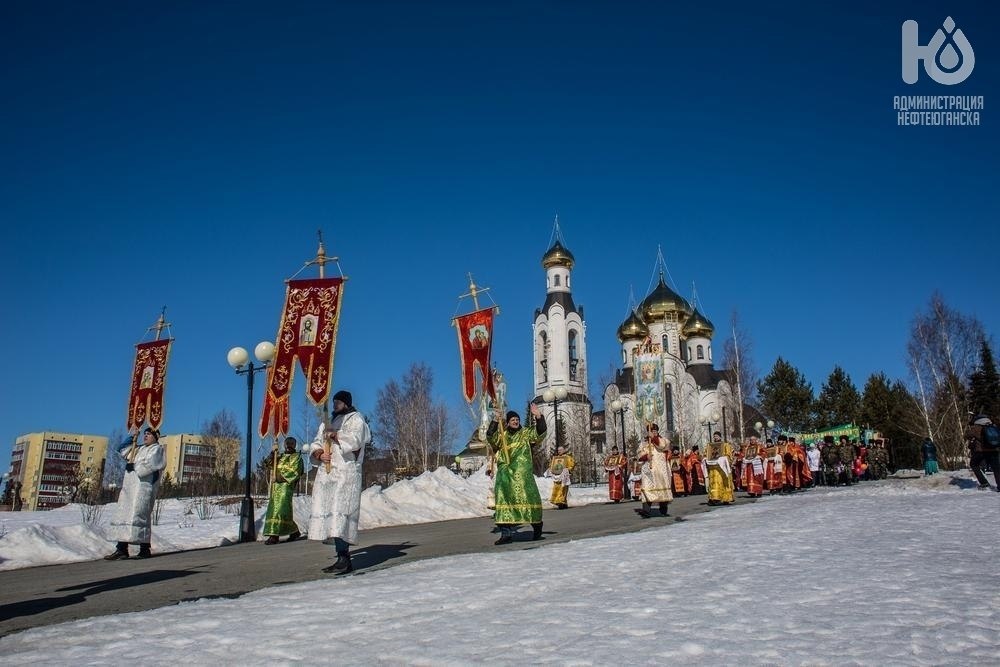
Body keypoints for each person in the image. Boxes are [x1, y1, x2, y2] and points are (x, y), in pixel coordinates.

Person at [307, 390, 371, 574]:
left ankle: (344, 558)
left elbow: (356, 440)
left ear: (347, 403)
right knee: (331, 514)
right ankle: (341, 557)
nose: (335, 405)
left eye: (339, 402)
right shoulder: (328, 422)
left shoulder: (355, 419)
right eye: (334, 402)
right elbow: (316, 442)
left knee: (340, 513)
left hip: (346, 473)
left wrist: (336, 436)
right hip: (328, 474)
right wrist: (319, 454)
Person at [487, 404, 546, 544]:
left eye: (517, 419)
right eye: (512, 419)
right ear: (507, 422)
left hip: (522, 475)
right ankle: (506, 534)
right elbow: (490, 437)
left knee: (528, 500)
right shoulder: (503, 435)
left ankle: (537, 526)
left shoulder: (526, 433)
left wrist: (538, 416)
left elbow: (540, 432)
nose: (515, 421)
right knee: (503, 501)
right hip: (505, 474)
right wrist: (495, 420)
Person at [105, 427, 167, 560]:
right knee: (124, 516)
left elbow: (152, 465)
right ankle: (121, 549)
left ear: (155, 437)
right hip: (130, 489)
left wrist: (134, 466)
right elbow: (121, 450)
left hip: (143, 489)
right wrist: (132, 437)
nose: (145, 436)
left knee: (139, 517)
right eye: (144, 434)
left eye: (148, 434)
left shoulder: (157, 449)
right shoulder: (137, 448)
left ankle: (144, 549)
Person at [263, 436, 305, 544]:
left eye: (291, 443)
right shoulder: (280, 456)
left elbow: (295, 472)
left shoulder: (297, 457)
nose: (289, 445)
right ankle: (294, 531)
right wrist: (272, 455)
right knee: (274, 510)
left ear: (294, 445)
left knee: (281, 509)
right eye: (288, 443)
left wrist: (281, 477)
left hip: (286, 486)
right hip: (276, 487)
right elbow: (268, 464)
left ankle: (274, 535)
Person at [635, 423, 672, 517]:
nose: (653, 433)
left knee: (662, 489)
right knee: (647, 488)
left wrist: (654, 438)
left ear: (657, 431)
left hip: (660, 470)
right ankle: (646, 510)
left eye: (654, 431)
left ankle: (663, 510)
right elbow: (639, 455)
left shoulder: (663, 440)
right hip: (648, 470)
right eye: (651, 431)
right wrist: (645, 456)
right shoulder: (644, 443)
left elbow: (663, 446)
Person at [966, 414, 1000, 491]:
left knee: (974, 464)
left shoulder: (976, 427)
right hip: (994, 450)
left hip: (981, 451)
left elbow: (967, 436)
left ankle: (984, 483)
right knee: (996, 468)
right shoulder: (993, 426)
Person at [702, 431, 734, 506]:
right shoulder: (710, 446)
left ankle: (724, 498)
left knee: (721, 482)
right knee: (713, 484)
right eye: (714, 436)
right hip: (713, 469)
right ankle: (714, 498)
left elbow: (729, 456)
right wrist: (704, 458)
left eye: (716, 436)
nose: (715, 437)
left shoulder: (725, 445)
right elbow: (705, 454)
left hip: (721, 469)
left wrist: (724, 458)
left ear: (720, 437)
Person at [545, 445, 575, 509]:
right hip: (557, 477)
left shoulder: (568, 457)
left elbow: (571, 465)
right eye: (558, 450)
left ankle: (562, 502)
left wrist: (567, 469)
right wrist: (551, 468)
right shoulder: (556, 458)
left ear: (564, 450)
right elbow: (552, 465)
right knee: (556, 489)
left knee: (563, 489)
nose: (559, 451)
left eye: (560, 450)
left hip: (564, 477)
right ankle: (559, 502)